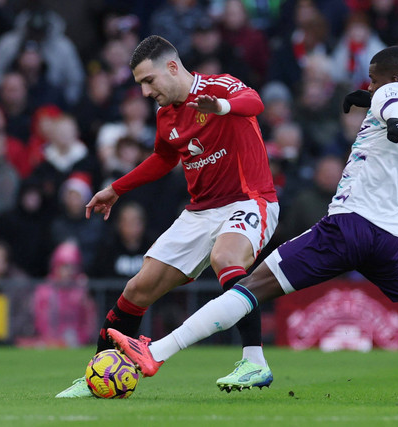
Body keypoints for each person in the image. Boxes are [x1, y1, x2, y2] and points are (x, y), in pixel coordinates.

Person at [108, 46, 398, 401]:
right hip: (393, 238)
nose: (370, 84)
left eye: (373, 78)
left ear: (390, 78)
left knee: (250, 287)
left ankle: (158, 351)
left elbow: (394, 103)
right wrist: (377, 106)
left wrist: (391, 115)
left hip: (348, 226)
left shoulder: (391, 94)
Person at [55, 35, 279, 397]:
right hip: (200, 212)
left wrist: (221, 107)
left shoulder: (218, 86)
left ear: (172, 68)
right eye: (140, 84)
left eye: (149, 81)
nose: (145, 92)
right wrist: (117, 188)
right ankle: (96, 375)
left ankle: (254, 361)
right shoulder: (166, 115)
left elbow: (254, 102)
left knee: (226, 257)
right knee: (137, 289)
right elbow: (164, 158)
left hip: (249, 200)